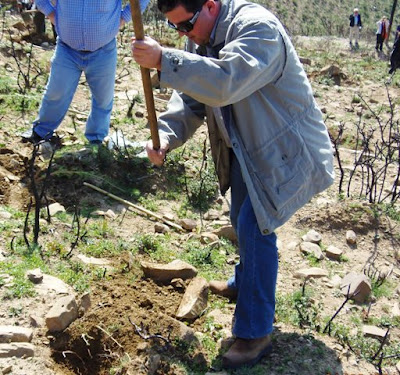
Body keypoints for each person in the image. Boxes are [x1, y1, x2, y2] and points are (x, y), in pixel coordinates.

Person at [132, 0, 334, 369]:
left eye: (187, 24)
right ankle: (245, 284)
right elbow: (193, 99)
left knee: (255, 228)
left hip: (281, 150)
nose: (184, 34)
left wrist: (165, 60)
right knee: (243, 218)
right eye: (176, 28)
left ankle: (255, 331)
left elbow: (224, 82)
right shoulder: (200, 34)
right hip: (246, 147)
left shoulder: (257, 28)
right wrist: (164, 135)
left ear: (210, 5)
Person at [21, 0, 149, 146]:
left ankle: (96, 139)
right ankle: (41, 132)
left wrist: (123, 18)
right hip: (67, 48)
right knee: (56, 92)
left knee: (103, 98)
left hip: (103, 50)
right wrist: (50, 13)